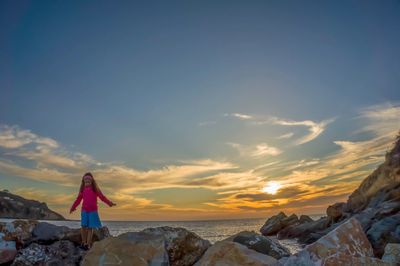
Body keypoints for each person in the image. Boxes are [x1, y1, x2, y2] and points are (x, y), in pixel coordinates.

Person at [70, 172, 116, 250]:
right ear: (83, 181)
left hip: (93, 211)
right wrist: (73, 207)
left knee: (90, 228)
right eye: (85, 180)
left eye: (89, 179)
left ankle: (88, 244)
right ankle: (83, 243)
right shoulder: (82, 190)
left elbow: (102, 197)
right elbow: (78, 200)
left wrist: (109, 203)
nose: (87, 181)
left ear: (92, 181)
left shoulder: (95, 189)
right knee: (83, 226)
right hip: (84, 210)